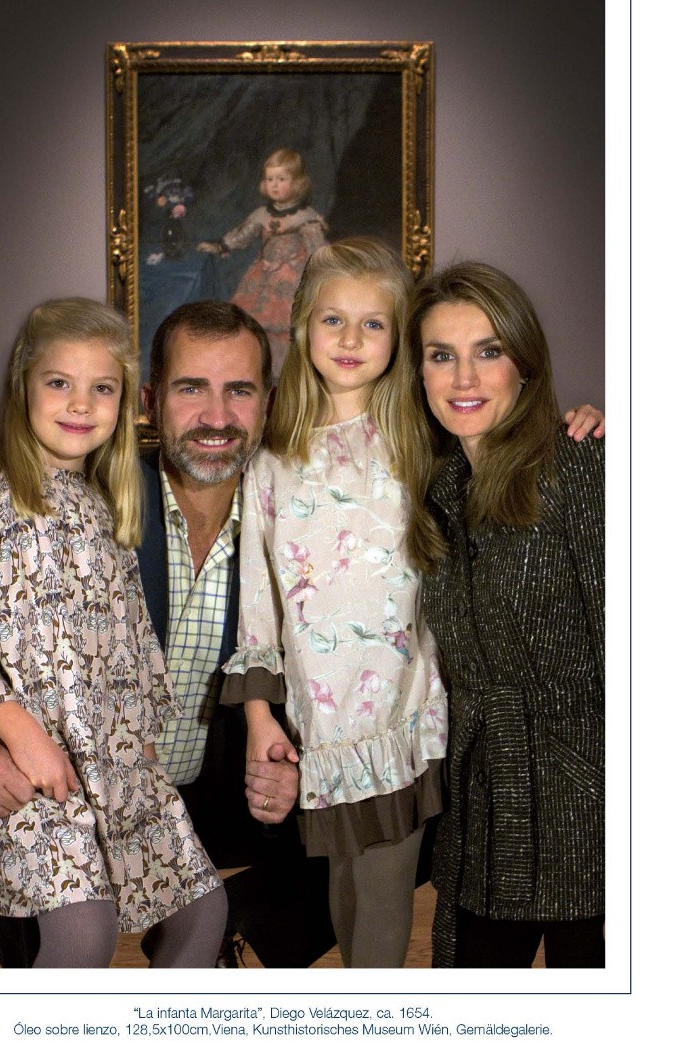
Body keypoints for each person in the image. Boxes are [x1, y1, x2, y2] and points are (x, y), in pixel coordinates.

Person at [0, 300, 334, 969]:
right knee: (77, 935)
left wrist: (291, 755)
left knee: (396, 809)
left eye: (239, 390)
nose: (216, 416)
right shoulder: (95, 484)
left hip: (188, 783)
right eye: (192, 389)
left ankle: (230, 946)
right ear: (152, 401)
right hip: (47, 778)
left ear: (270, 402)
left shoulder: (302, 512)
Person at [220, 238, 449, 969]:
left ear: (398, 336)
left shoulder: (421, 440)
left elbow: (511, 444)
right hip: (320, 723)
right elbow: (260, 602)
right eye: (333, 320)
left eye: (372, 323)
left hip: (399, 715)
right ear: (302, 327)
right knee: (345, 891)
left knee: (381, 898)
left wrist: (586, 422)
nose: (351, 339)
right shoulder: (271, 461)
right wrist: (261, 716)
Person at [407, 262, 605, 969]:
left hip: (593, 812)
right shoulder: (438, 490)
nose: (464, 378)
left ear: (524, 364)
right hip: (484, 816)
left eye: (488, 351)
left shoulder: (579, 468)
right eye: (441, 356)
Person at [198, 149, 327, 378]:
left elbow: (318, 250)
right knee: (254, 323)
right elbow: (243, 235)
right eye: (270, 179)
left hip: (291, 279)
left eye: (281, 179)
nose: (274, 185)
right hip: (262, 276)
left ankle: (286, 374)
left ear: (297, 183)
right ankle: (258, 370)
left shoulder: (306, 217)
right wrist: (221, 246)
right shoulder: (261, 215)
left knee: (288, 327)